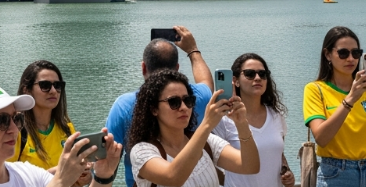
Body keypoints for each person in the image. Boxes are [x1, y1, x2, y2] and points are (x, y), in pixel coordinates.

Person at [0, 81, 122, 187]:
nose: (14, 129)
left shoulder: (24, 172)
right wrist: (61, 181)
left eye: (16, 119)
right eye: (2, 120)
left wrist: (102, 177)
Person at [105, 25, 213, 187]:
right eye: (173, 102)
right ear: (176, 69)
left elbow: (109, 162)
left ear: (143, 68)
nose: (182, 107)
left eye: (183, 102)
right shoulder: (193, 98)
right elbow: (206, 84)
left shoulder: (124, 105)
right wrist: (193, 51)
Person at [303, 26, 366, 187]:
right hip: (336, 174)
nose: (350, 59)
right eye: (343, 53)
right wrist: (351, 99)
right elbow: (321, 138)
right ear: (328, 54)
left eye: (356, 53)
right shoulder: (315, 89)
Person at [127, 69, 260, 187]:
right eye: (174, 102)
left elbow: (250, 166)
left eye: (188, 100)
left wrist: (242, 124)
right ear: (154, 109)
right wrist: (207, 124)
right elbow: (173, 178)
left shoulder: (207, 142)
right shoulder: (141, 151)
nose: (184, 107)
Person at [212, 53, 294, 187]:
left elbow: (278, 153)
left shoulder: (276, 115)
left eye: (262, 74)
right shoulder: (224, 119)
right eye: (250, 74)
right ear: (236, 81)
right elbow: (208, 157)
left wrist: (286, 170)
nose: (257, 78)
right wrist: (226, 181)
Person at [8, 61, 90, 186]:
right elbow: (5, 181)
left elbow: (76, 180)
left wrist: (84, 177)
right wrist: (56, 174)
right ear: (27, 90)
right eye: (45, 85)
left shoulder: (66, 128)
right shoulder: (16, 131)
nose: (53, 91)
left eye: (57, 85)